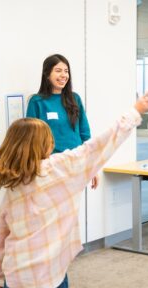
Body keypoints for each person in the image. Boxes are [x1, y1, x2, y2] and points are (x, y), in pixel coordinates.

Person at [0, 92, 148, 288]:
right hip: (50, 272)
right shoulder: (61, 168)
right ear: (44, 144)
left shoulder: (14, 183)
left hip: (18, 273)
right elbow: (99, 144)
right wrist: (135, 111)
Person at [26, 54, 98, 189]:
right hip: (51, 167)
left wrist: (92, 165)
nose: (63, 75)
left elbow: (85, 134)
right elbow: (31, 139)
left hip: (76, 163)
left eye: (66, 71)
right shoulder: (37, 102)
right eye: (58, 71)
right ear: (47, 74)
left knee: (71, 208)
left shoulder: (75, 99)